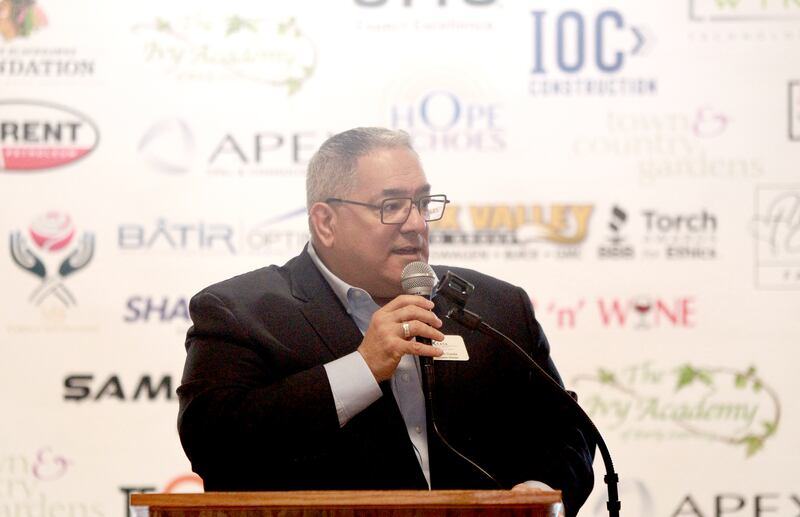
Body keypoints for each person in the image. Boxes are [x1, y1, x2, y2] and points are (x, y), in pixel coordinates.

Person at [177, 127, 595, 517]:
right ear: (326, 222)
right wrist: (362, 368)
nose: (416, 224)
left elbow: (567, 432)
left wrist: (540, 493)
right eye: (391, 207)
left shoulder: (496, 307)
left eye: (423, 204)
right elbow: (214, 445)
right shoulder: (240, 312)